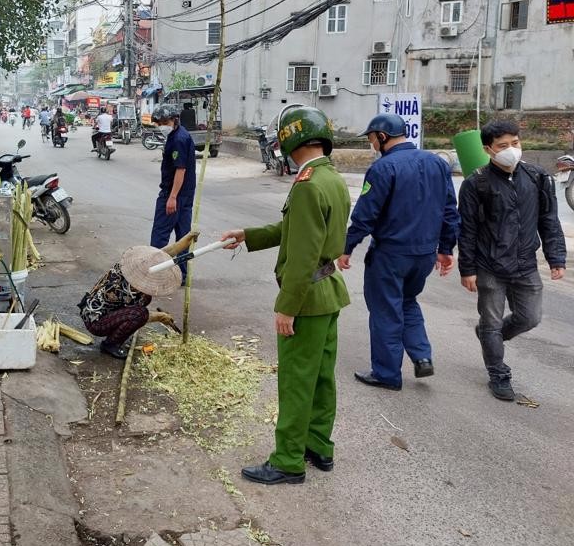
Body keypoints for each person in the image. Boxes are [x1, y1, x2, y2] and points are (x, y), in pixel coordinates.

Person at [221, 106, 350, 485]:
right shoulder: (330, 178)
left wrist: (286, 307)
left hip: (307, 296)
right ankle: (318, 446)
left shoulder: (308, 184)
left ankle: (288, 460)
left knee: (296, 380)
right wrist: (250, 234)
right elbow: (294, 228)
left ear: (290, 140)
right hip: (328, 292)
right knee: (322, 378)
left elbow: (303, 254)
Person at [336, 113, 460, 391]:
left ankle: (387, 374)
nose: (371, 144)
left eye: (371, 139)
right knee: (407, 302)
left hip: (390, 256)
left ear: (382, 136)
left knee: (385, 311)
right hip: (424, 255)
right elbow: (450, 211)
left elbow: (365, 215)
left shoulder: (383, 168)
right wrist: (445, 249)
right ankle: (422, 356)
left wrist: (346, 248)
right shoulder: (437, 164)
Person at [457, 120, 566, 401]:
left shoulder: (537, 177)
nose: (511, 150)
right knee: (492, 322)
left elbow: (548, 220)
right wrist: (467, 269)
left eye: (515, 143)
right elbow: (467, 230)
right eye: (503, 146)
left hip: (525, 264)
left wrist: (556, 258)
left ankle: (488, 336)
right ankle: (498, 374)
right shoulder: (476, 183)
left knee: (530, 317)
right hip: (489, 266)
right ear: (488, 149)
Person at [79, 233, 197, 359]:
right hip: (96, 322)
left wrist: (183, 243)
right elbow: (135, 314)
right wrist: (158, 317)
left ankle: (117, 334)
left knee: (144, 300)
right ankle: (110, 344)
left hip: (93, 308)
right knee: (141, 314)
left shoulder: (132, 266)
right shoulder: (129, 289)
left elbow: (160, 256)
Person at [149, 104, 196, 283]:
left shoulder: (178, 139)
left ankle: (156, 273)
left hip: (174, 194)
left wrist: (172, 197)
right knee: (183, 237)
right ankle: (182, 275)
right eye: (159, 123)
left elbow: (180, 170)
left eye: (165, 122)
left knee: (159, 236)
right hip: (186, 194)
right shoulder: (180, 134)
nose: (162, 125)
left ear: (174, 120)